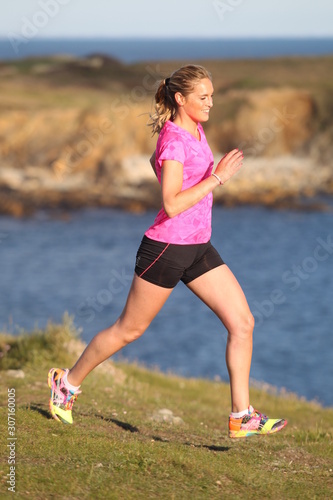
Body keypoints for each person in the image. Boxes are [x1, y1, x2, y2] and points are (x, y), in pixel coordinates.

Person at [48, 65, 287, 438]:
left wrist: (203, 178)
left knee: (243, 323)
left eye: (212, 95)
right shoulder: (174, 140)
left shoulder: (194, 127)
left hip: (198, 247)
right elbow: (172, 205)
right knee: (128, 330)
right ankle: (67, 383)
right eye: (203, 97)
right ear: (181, 99)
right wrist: (217, 178)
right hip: (166, 248)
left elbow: (154, 164)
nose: (211, 103)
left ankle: (242, 416)